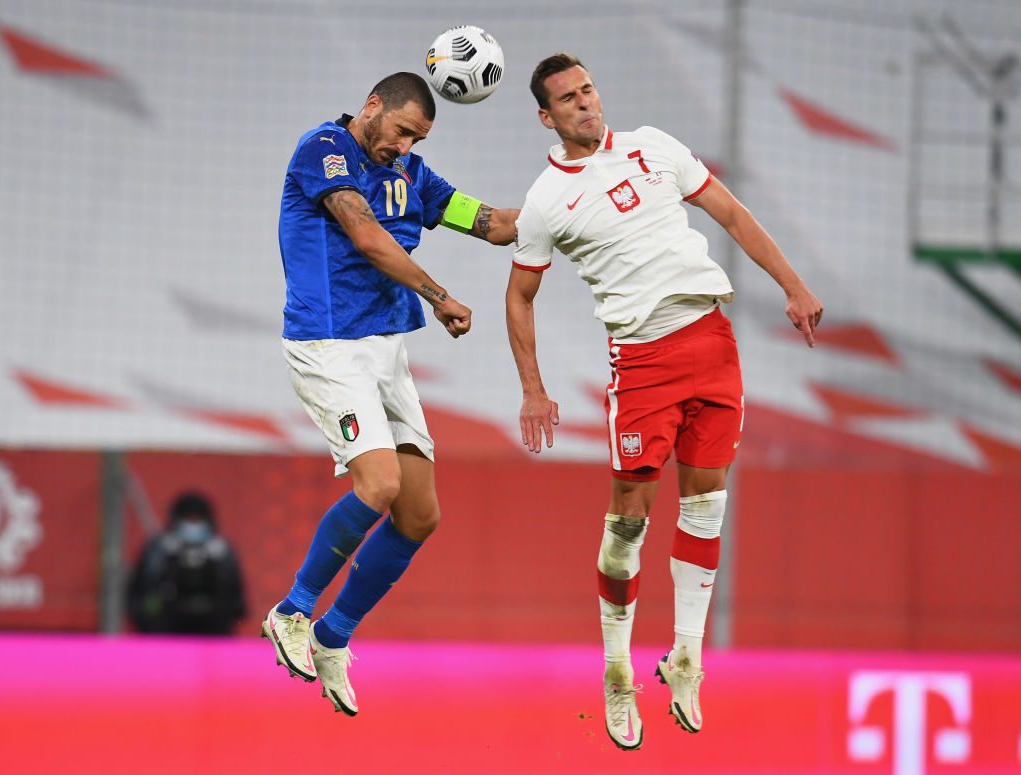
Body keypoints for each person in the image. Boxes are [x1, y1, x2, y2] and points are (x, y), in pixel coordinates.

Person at [506, 54, 823, 750]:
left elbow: (732, 215)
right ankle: (617, 672)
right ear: (546, 117)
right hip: (642, 363)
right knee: (628, 523)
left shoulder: (655, 146)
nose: (585, 103)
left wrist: (793, 286)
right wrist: (533, 387)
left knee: (707, 504)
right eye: (568, 98)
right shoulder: (544, 201)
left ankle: (686, 657)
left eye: (588, 88)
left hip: (711, 340)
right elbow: (520, 294)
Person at [266, 71, 518, 716]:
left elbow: (489, 222)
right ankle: (293, 610)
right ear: (372, 107)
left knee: (418, 515)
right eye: (402, 131)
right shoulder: (325, 150)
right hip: (329, 345)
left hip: (384, 352)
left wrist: (572, 202)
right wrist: (439, 297)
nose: (404, 147)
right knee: (377, 486)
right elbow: (368, 238)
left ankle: (332, 636)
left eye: (418, 138)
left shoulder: (414, 176)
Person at [126, 491, 247, 635]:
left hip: (214, 630)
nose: (193, 525)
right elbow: (140, 593)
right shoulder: (160, 548)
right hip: (165, 628)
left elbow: (236, 600)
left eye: (197, 519)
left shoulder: (221, 551)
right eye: (188, 519)